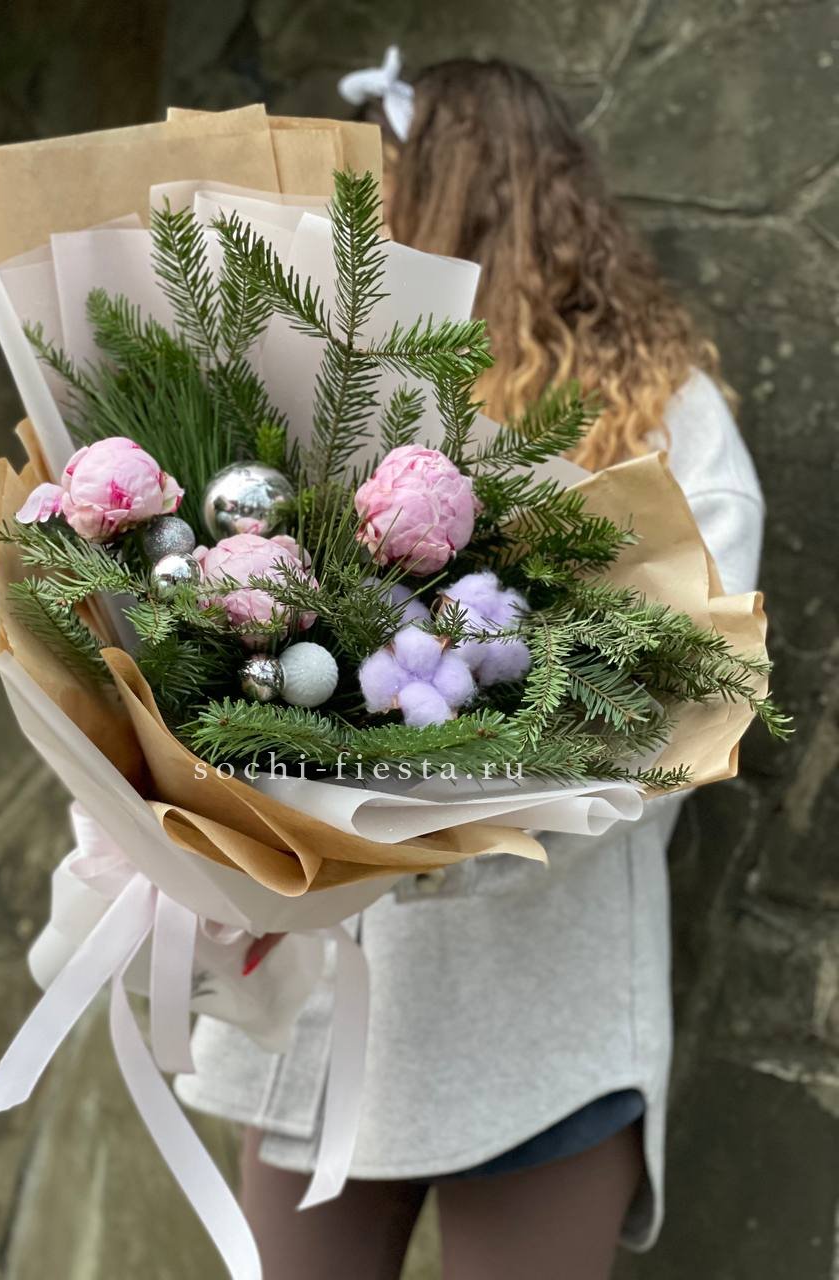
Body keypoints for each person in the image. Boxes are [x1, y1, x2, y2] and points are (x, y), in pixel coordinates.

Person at [177, 55, 765, 1280]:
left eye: (367, 191)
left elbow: (676, 704)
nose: (340, 227)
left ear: (438, 197)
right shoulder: (324, 398)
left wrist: (421, 829)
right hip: (334, 1010)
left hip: (532, 1017)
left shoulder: (665, 428)